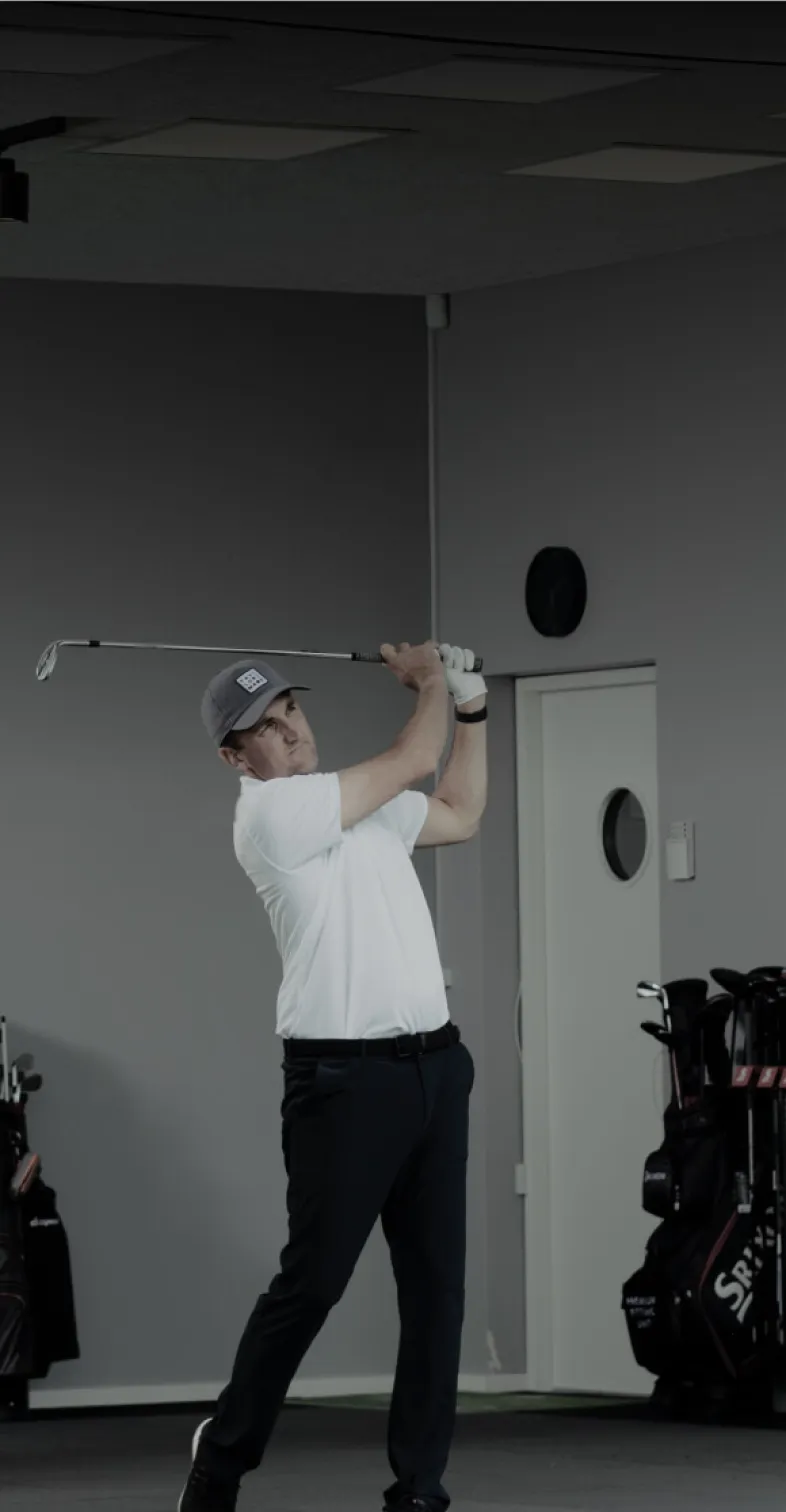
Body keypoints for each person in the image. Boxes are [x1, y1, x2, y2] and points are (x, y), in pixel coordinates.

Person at [179, 641, 488, 1512]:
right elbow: (414, 758)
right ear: (236, 759)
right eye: (265, 731)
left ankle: (418, 1491)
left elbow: (460, 809)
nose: (289, 732)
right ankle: (223, 1457)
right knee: (311, 1284)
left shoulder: (364, 806)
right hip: (343, 1086)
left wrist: (472, 708)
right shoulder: (272, 817)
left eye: (291, 712)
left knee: (436, 1294)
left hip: (435, 1069)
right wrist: (431, 679)